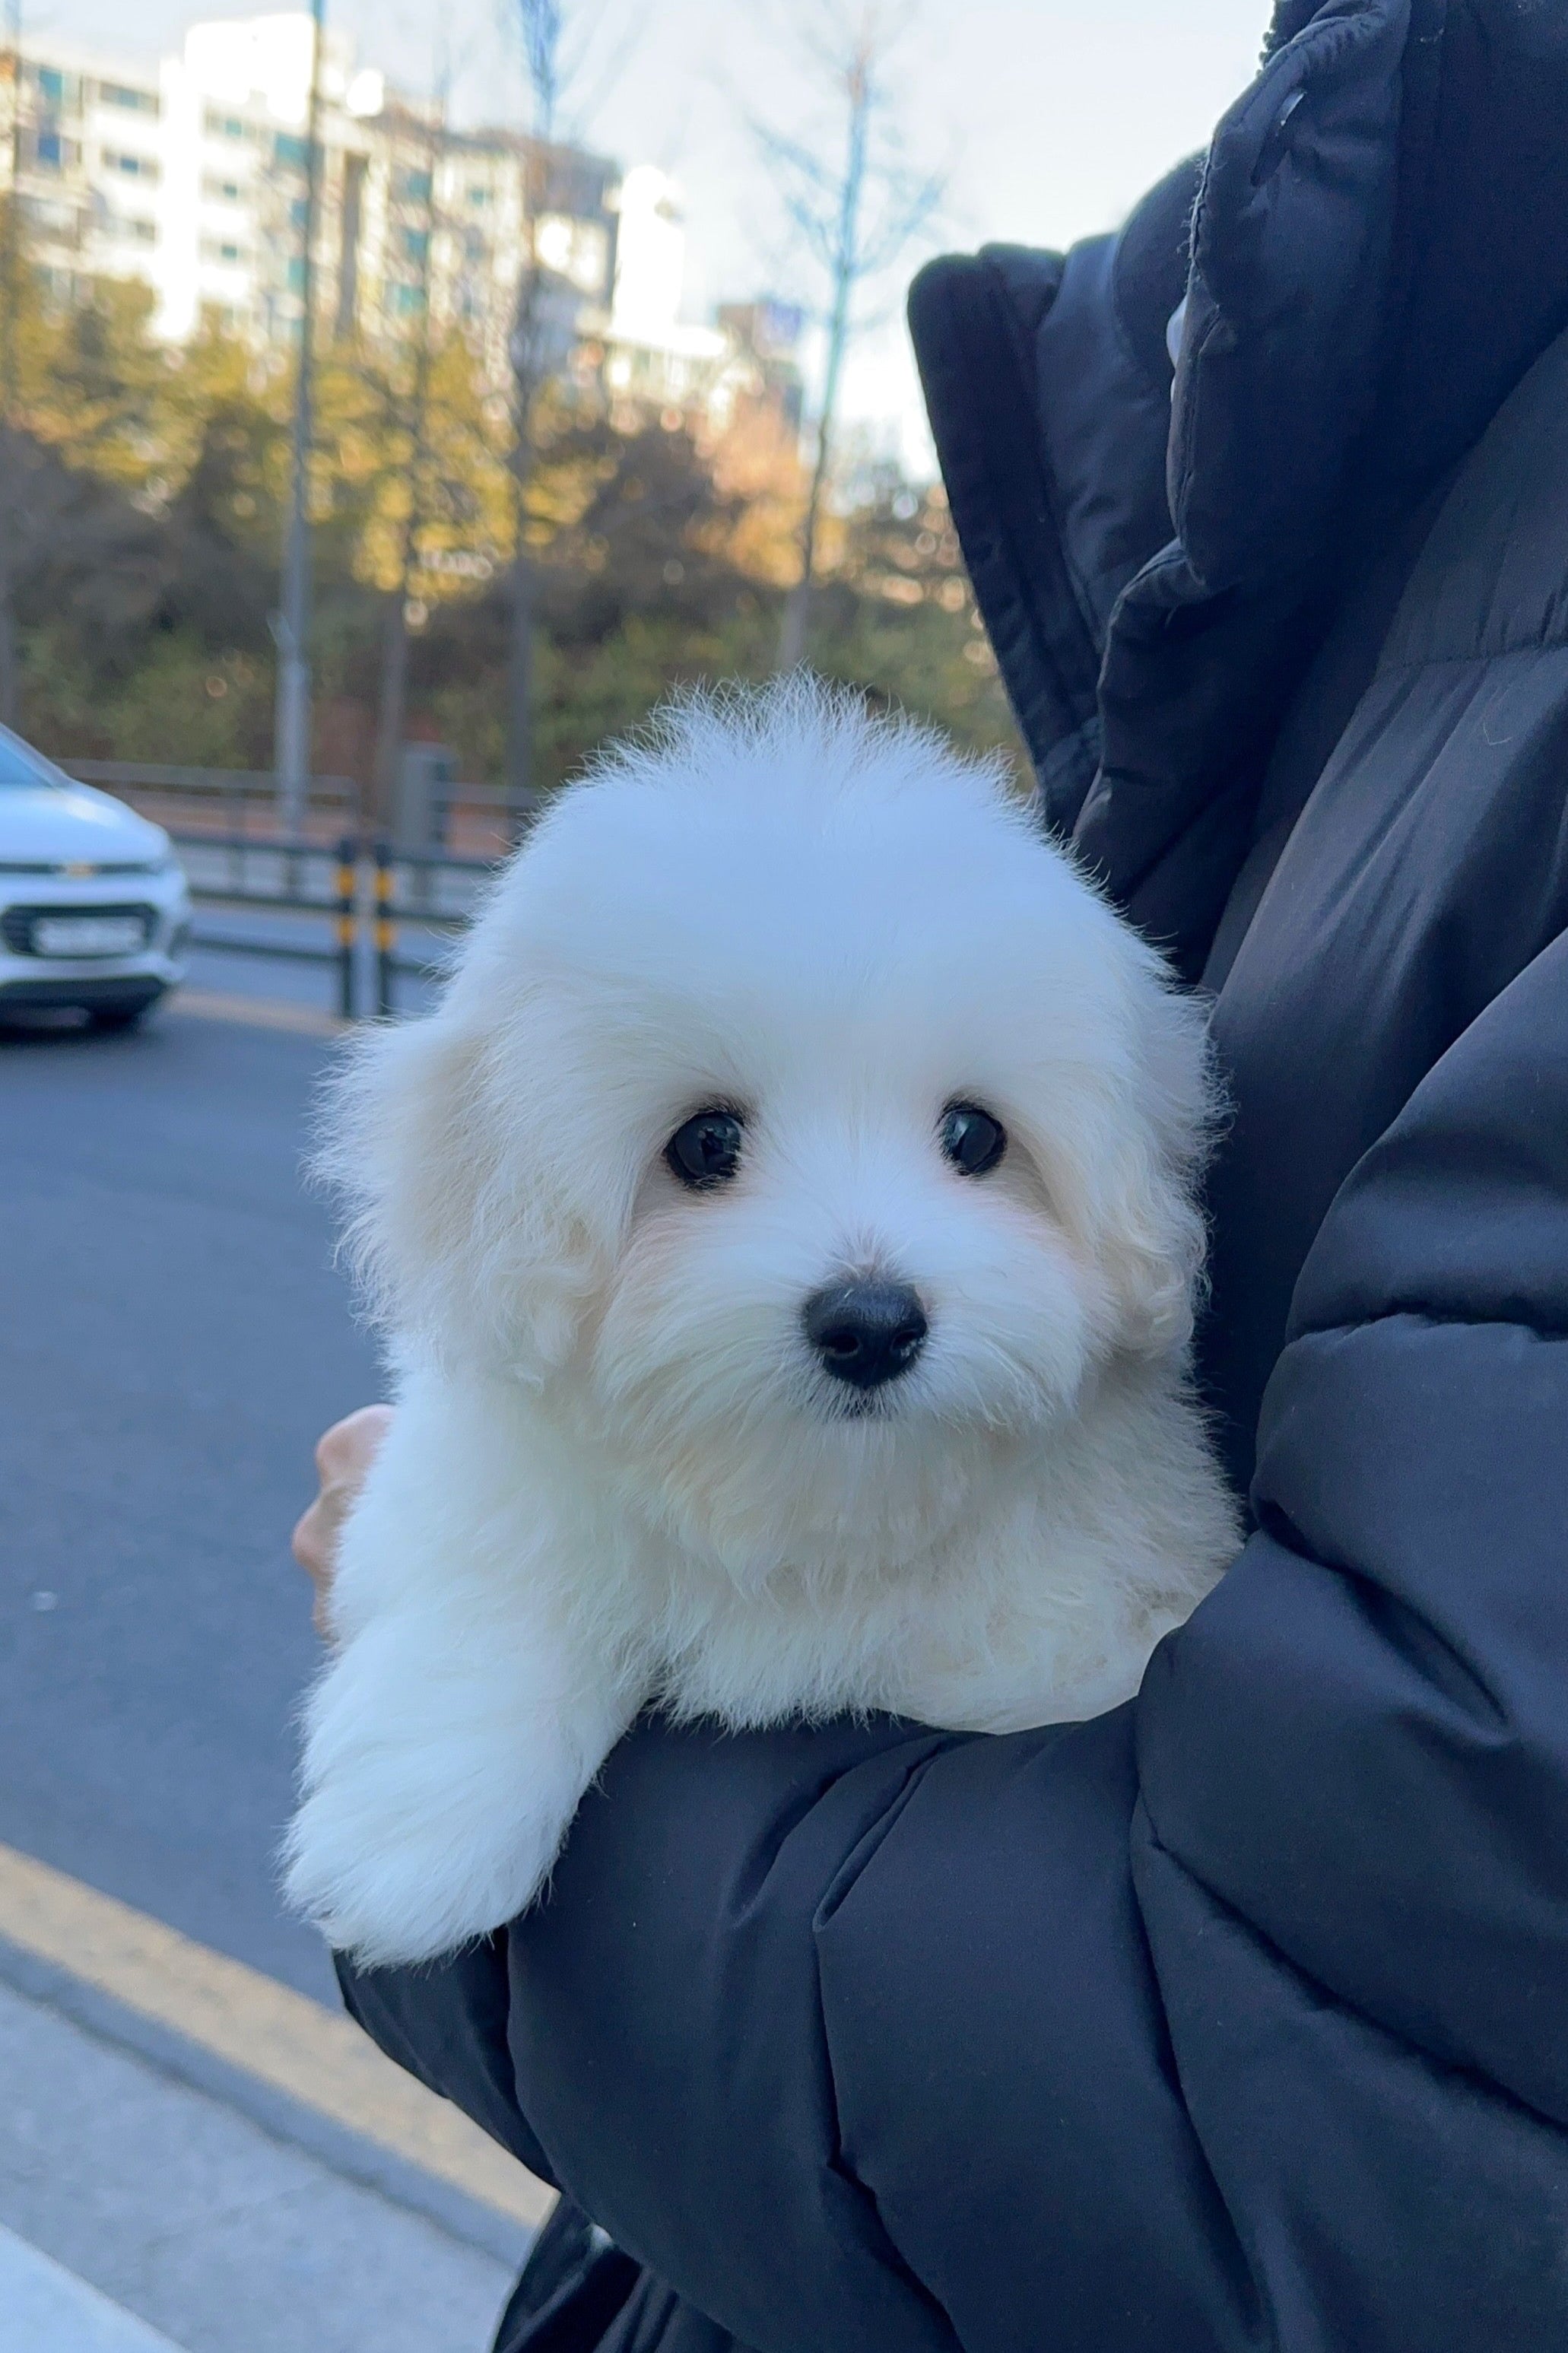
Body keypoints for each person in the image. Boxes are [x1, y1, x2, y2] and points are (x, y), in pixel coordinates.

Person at [294, 4, 1568, 2345]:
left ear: (1121, 1197)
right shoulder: (1302, 418)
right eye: (703, 1150)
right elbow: (447, 1663)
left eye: (975, 1143)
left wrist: (524, 1922)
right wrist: (465, 1671)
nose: (866, 1269)